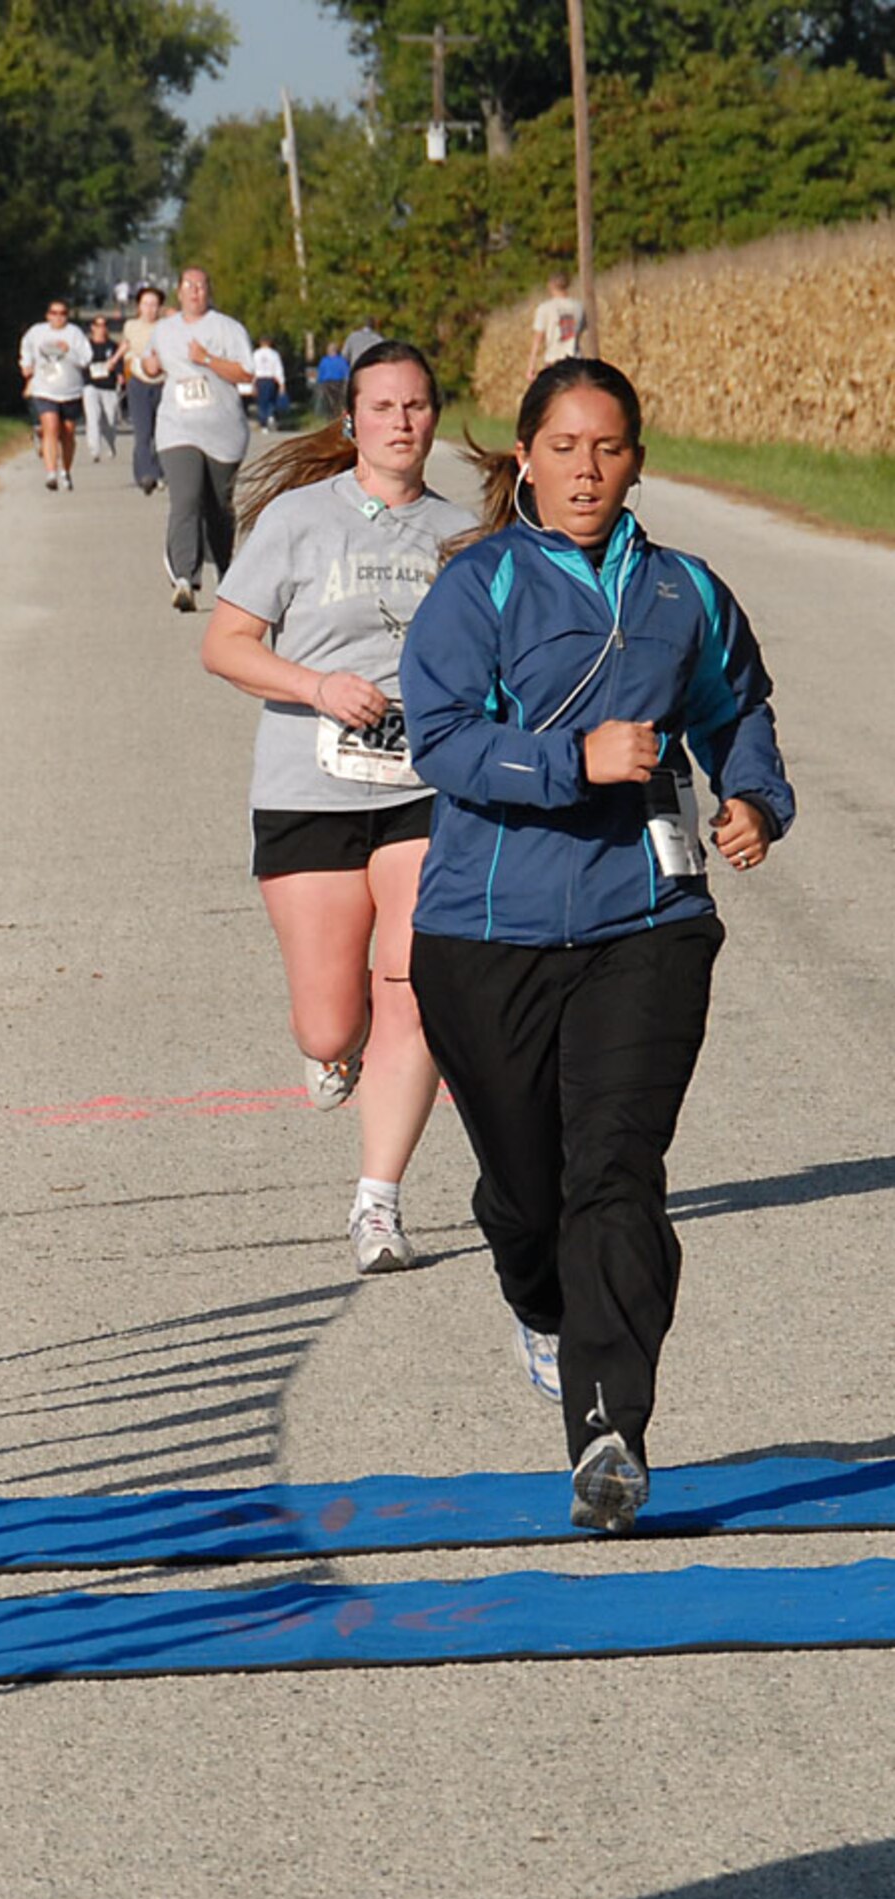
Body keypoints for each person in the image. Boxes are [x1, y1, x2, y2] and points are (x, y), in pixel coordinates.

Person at [401, 357, 793, 1534]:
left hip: (647, 922)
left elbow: (739, 707)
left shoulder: (684, 590)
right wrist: (567, 762)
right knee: (529, 1200)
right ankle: (535, 1292)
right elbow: (438, 740)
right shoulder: (479, 589)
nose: (584, 468)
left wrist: (753, 798)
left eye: (606, 448)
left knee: (615, 1173)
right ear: (524, 455)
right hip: (484, 933)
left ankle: (608, 1434)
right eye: (562, 446)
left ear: (634, 460)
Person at [200, 342, 472, 1273]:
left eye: (417, 406)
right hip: (307, 784)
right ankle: (334, 1045)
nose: (401, 421)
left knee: (416, 986)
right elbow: (226, 645)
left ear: (433, 418)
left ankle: (378, 1204)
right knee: (329, 1022)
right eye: (382, 407)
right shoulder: (296, 518)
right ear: (350, 421)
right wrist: (318, 687)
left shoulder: (466, 531)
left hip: (426, 788)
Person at [136, 266, 254, 612]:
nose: (195, 292)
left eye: (201, 286)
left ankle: (225, 571)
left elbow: (246, 373)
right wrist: (151, 366)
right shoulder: (164, 330)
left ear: (209, 291)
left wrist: (207, 359)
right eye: (189, 286)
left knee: (218, 507)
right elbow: (148, 364)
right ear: (178, 291)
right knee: (185, 499)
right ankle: (184, 578)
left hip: (223, 429)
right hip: (177, 427)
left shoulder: (228, 329)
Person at [19, 297, 91, 490]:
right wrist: (26, 365)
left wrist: (69, 352)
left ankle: (65, 471)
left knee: (67, 433)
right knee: (50, 428)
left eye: (62, 313)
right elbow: (26, 348)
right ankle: (50, 473)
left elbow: (85, 360)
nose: (58, 317)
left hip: (70, 390)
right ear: (47, 315)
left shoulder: (74, 334)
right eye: (54, 313)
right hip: (44, 388)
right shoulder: (37, 332)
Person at [120, 284, 166, 494]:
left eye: (154, 304)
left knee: (161, 432)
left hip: (164, 382)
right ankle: (145, 474)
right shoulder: (131, 326)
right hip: (139, 382)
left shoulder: (167, 327)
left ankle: (159, 471)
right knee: (142, 432)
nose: (150, 309)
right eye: (146, 304)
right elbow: (127, 352)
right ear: (139, 306)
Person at [527, 269, 586, 378]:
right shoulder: (579, 307)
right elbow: (581, 331)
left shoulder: (545, 308)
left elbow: (538, 338)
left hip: (554, 361)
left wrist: (531, 364)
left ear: (550, 285)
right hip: (576, 360)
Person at [81, 311, 123, 462]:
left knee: (110, 419)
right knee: (93, 417)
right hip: (90, 386)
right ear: (93, 327)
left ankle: (110, 444)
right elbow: (81, 363)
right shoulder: (86, 346)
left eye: (105, 325)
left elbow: (119, 364)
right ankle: (95, 450)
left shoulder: (113, 346)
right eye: (98, 325)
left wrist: (119, 374)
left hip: (108, 387)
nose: (102, 328)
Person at [251, 338, 287, 430]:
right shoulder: (274, 354)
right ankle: (270, 415)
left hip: (260, 379)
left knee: (261, 402)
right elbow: (278, 369)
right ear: (270, 343)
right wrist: (282, 383)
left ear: (260, 343)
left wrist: (252, 384)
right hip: (271, 379)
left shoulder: (256, 354)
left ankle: (264, 424)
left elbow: (252, 369)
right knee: (271, 399)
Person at [315, 341, 349, 420]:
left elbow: (320, 373)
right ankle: (336, 416)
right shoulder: (341, 360)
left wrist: (319, 383)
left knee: (328, 402)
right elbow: (346, 372)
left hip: (327, 384)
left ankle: (330, 417)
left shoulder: (324, 360)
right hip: (338, 383)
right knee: (337, 401)